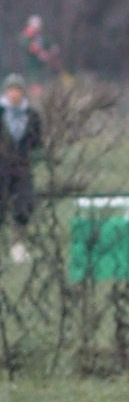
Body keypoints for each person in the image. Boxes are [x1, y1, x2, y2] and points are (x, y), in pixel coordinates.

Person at [0, 73, 43, 264]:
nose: (14, 94)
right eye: (11, 90)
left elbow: (37, 141)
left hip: (23, 169)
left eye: (17, 90)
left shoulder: (31, 115)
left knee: (24, 206)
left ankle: (17, 245)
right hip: (1, 168)